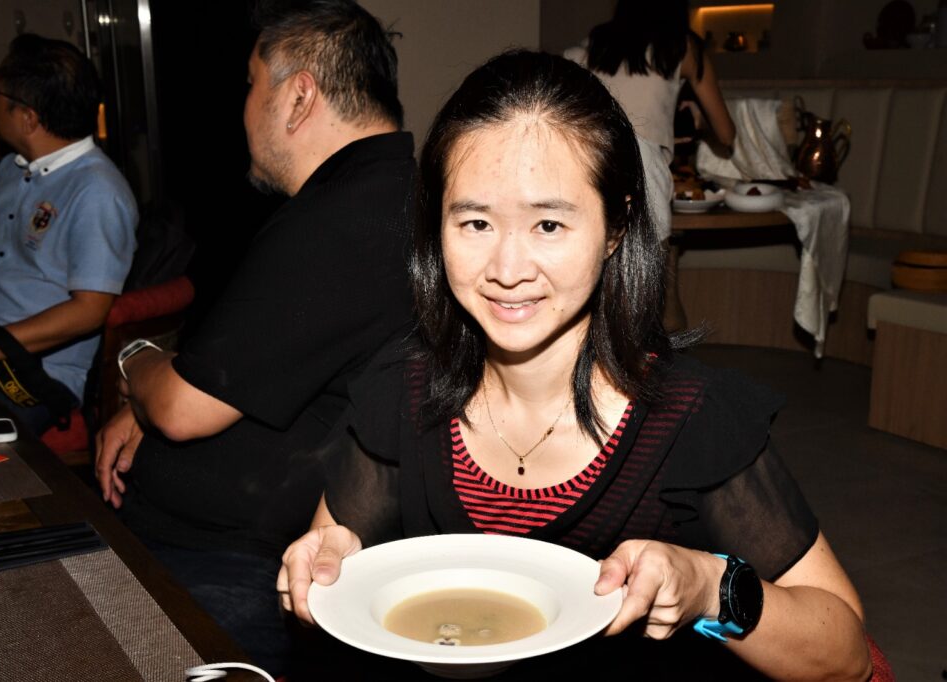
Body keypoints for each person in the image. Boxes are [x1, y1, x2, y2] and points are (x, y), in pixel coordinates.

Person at [279, 51, 871, 680]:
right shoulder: (401, 386)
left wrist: (707, 589)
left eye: (548, 224)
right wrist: (326, 568)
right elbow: (333, 568)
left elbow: (847, 658)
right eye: (475, 222)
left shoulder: (692, 418)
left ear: (615, 226)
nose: (507, 270)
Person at [94, 0, 414, 674]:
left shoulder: (340, 221)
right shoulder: (383, 193)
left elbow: (182, 409)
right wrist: (152, 400)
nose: (243, 108)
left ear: (298, 97)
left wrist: (135, 360)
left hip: (230, 562)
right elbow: (247, 366)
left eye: (250, 84)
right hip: (228, 544)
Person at [0, 35, 137, 436]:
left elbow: (89, 310)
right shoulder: (11, 168)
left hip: (35, 371)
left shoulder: (96, 191)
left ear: (28, 118)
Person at [567, 0, 735, 243]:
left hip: (589, 166)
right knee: (649, 264)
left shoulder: (595, 44)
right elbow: (726, 135)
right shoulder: (682, 47)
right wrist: (700, 123)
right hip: (643, 173)